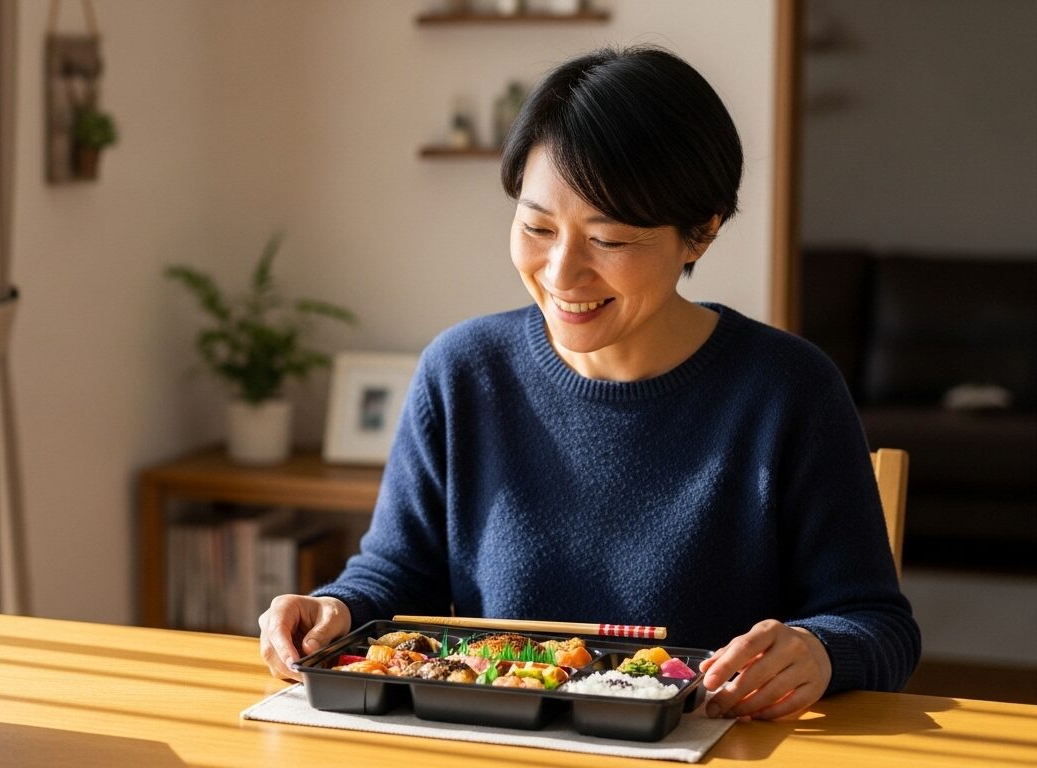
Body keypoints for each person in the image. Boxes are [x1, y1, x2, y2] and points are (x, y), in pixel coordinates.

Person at [257, 46, 920, 721]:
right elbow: (394, 576)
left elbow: (877, 624)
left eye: (609, 240)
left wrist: (818, 648)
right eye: (537, 227)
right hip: (503, 744)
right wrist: (334, 606)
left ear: (701, 233)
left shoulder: (787, 391)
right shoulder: (462, 372)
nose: (562, 274)